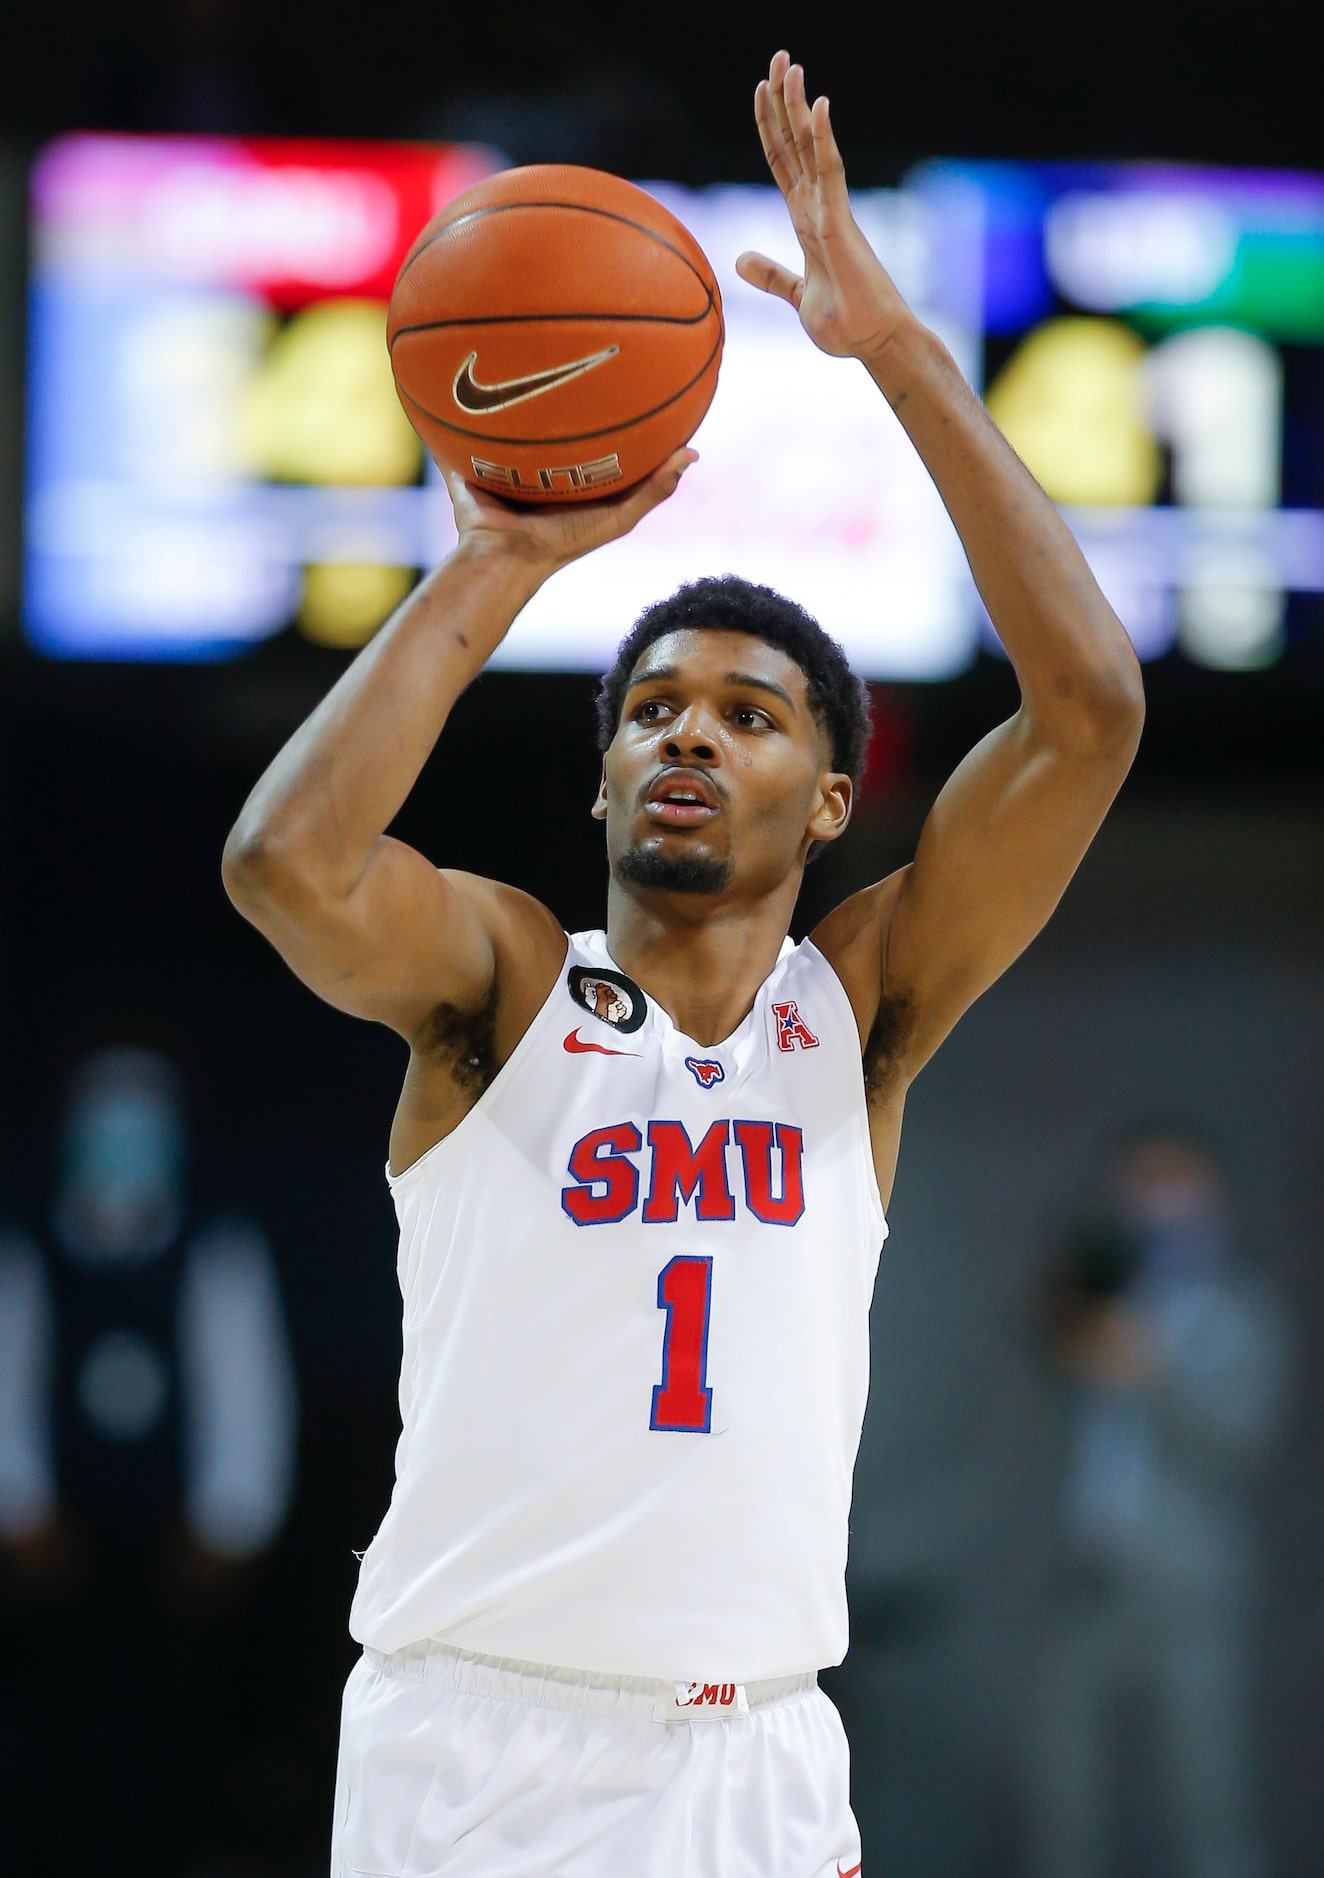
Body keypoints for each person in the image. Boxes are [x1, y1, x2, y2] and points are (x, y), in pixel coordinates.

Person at [222, 51, 1145, 1878]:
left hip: (757, 1760)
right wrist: (489, 557)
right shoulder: (499, 987)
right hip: (477, 1741)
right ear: (598, 776)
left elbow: (1089, 709)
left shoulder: (857, 1009)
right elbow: (285, 864)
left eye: (743, 712)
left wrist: (890, 352)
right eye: (646, 710)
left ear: (825, 798)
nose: (684, 737)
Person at [1028, 1129, 1290, 1878]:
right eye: (1141, 1185)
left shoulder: (1236, 1311)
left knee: (1206, 1809)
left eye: (1175, 1185)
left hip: (1191, 1602)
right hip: (1084, 1588)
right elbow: (1032, 1427)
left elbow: (1240, 1439)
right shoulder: (1085, 1304)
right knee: (1062, 1810)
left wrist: (1154, 1367)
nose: (1157, 1205)